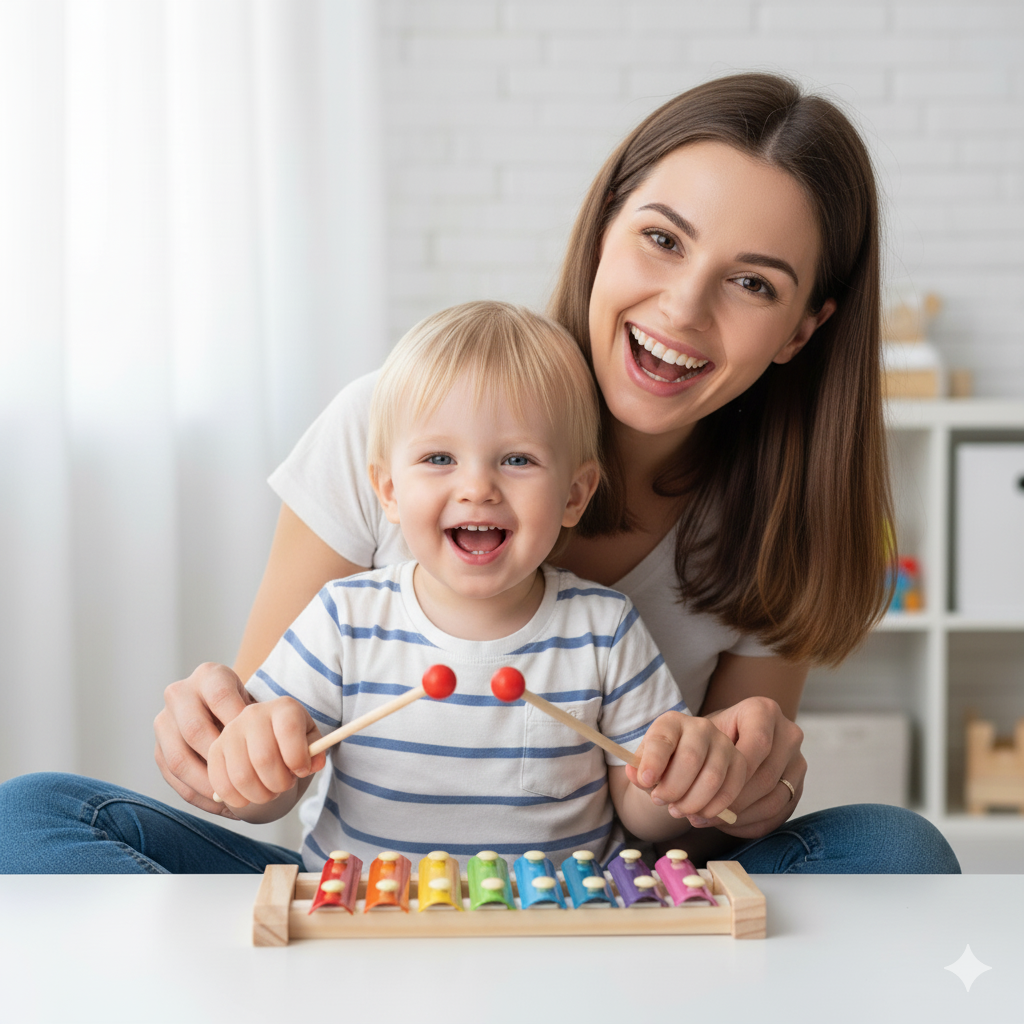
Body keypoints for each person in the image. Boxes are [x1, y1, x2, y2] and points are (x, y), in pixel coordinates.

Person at [0, 72, 959, 874]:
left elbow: (690, 837)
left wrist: (729, 784)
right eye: (661, 239)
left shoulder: (761, 532)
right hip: (362, 893)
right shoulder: (388, 422)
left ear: (804, 328)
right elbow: (256, 766)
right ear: (605, 226)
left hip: (591, 901)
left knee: (896, 850)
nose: (682, 307)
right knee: (31, 812)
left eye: (753, 283)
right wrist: (223, 751)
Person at [207, 301, 746, 868]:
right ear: (388, 491)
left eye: (517, 459)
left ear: (575, 495)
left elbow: (643, 813)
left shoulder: (605, 628)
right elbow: (266, 801)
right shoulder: (344, 619)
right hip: (366, 928)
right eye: (439, 457)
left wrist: (682, 780)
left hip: (557, 925)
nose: (477, 487)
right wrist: (256, 761)